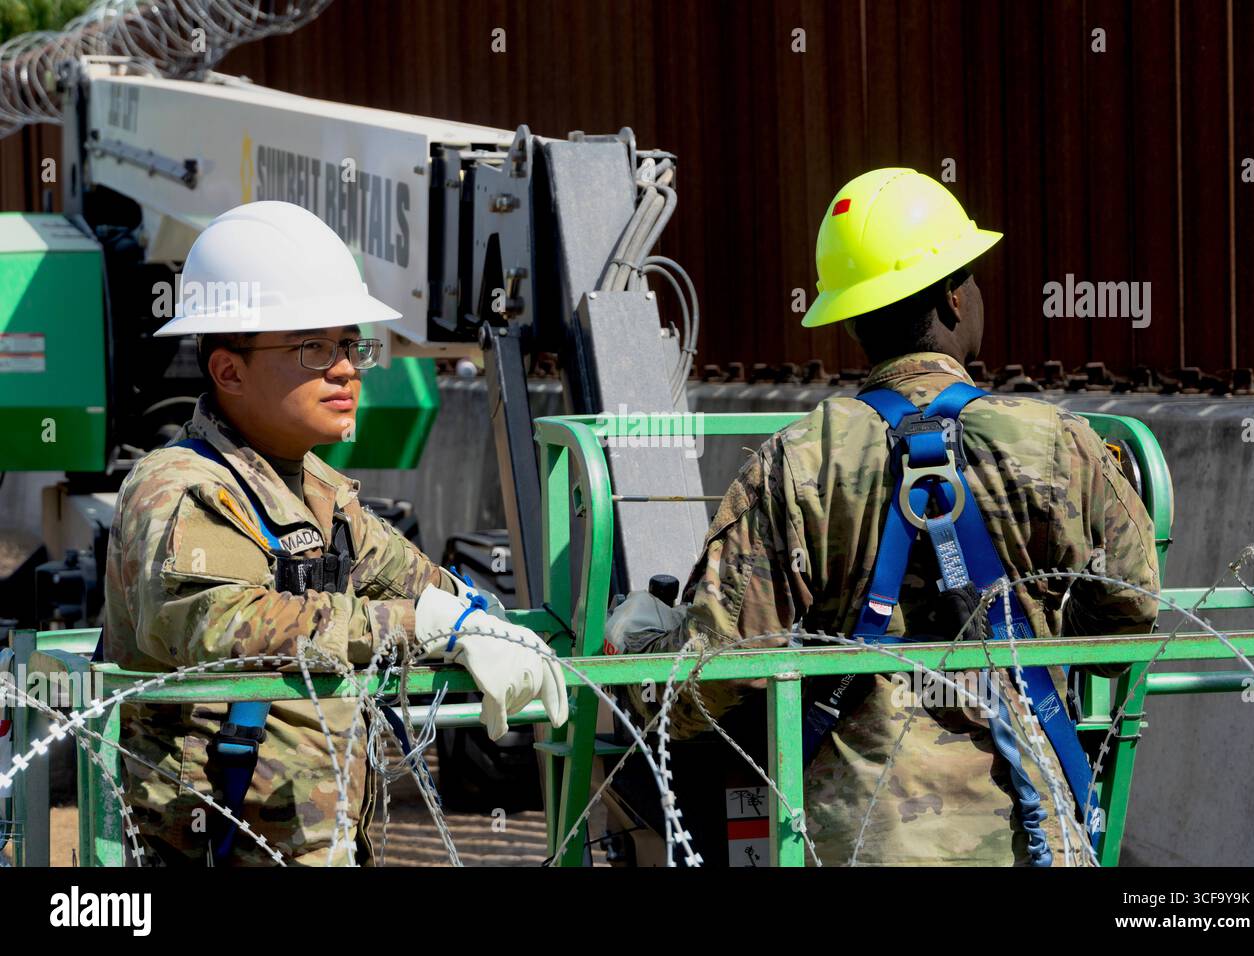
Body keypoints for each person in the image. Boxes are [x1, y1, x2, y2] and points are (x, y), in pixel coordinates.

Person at [606, 168, 1159, 866]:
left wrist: (636, 653)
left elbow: (711, 677)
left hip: (854, 841)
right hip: (1032, 836)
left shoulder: (796, 463)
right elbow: (1128, 618)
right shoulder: (1060, 445)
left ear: (853, 320)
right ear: (955, 300)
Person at [103, 200, 567, 866]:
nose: (346, 369)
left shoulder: (320, 493)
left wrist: (506, 625)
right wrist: (422, 626)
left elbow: (431, 589)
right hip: (212, 847)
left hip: (316, 842)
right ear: (229, 370)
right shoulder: (181, 486)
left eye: (351, 346)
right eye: (312, 348)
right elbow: (212, 624)